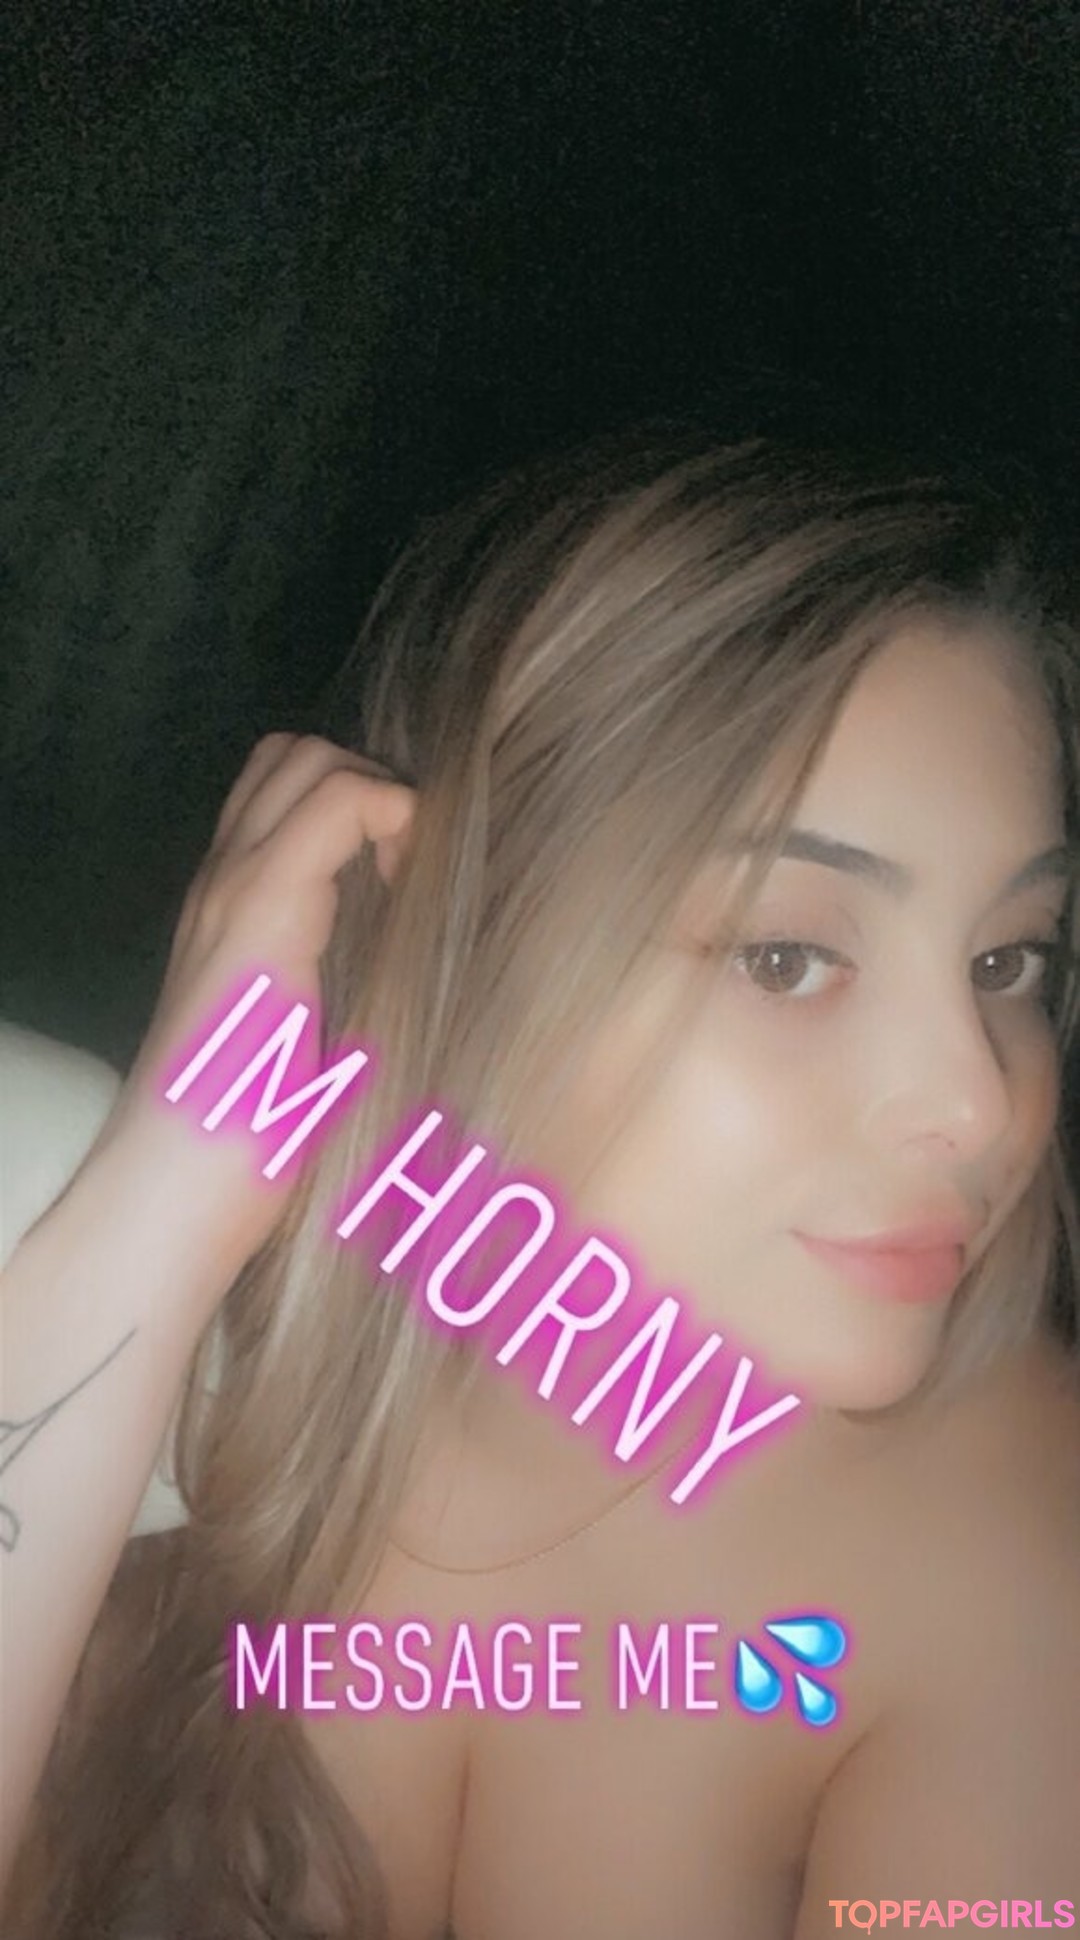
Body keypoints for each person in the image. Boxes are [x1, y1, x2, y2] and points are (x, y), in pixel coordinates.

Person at [2, 424, 1078, 1939]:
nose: (977, 1103)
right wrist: (142, 1229)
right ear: (459, 944)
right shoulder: (119, 1279)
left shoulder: (1010, 1535)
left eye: (1009, 960)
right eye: (787, 957)